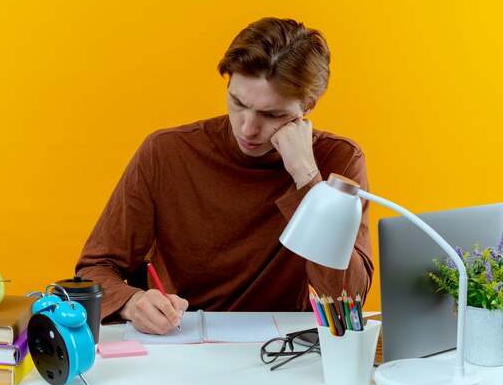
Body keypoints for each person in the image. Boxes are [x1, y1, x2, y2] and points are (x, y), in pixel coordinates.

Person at [75, 17, 374, 335]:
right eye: (238, 103)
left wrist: (307, 178)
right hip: (178, 338)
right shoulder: (166, 152)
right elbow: (93, 271)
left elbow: (347, 298)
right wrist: (132, 303)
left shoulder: (337, 160)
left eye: (272, 115)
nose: (248, 128)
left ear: (308, 107)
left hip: (283, 347)